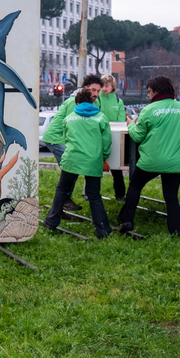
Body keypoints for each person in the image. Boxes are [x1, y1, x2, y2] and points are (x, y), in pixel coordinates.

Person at [117, 75, 180, 235]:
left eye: (149, 91)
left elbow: (137, 136)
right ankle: (176, 232)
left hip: (150, 161)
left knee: (135, 186)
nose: (148, 95)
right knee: (171, 198)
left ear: (156, 91)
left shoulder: (148, 110)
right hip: (175, 162)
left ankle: (127, 221)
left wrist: (131, 124)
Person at [44, 89, 112, 239]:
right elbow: (107, 143)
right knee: (94, 195)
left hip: (72, 159)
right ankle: (102, 229)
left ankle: (51, 221)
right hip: (93, 160)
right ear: (93, 102)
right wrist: (103, 157)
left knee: (62, 189)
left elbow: (65, 138)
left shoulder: (69, 118)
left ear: (77, 102)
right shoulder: (101, 118)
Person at [41, 74, 103, 210]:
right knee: (71, 167)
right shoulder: (74, 101)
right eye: (93, 90)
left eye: (98, 91)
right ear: (85, 88)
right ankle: (64, 201)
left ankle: (62, 202)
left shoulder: (94, 101)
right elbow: (72, 125)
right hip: (56, 138)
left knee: (71, 168)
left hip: (63, 137)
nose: (96, 94)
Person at [98, 74, 127, 200]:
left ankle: (120, 195)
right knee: (94, 169)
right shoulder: (97, 99)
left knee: (117, 169)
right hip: (99, 137)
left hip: (114, 139)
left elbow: (121, 121)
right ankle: (90, 194)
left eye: (107, 86)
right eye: (102, 86)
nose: (104, 89)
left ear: (112, 86)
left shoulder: (118, 101)